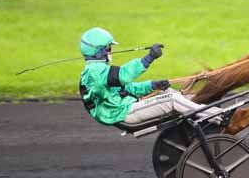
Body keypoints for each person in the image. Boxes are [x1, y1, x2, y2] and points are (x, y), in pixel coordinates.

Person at [78, 27, 221, 125]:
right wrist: (149, 58)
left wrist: (152, 85)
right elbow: (124, 76)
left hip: (124, 108)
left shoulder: (98, 71)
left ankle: (211, 112)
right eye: (109, 47)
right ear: (101, 50)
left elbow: (128, 88)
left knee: (169, 93)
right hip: (122, 113)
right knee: (171, 99)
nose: (111, 50)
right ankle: (216, 117)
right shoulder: (95, 72)